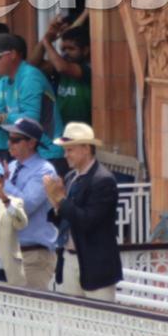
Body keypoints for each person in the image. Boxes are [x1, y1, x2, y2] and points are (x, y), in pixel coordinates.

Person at [44, 123, 123, 300]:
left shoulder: (103, 180)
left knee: (100, 322)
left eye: (70, 150)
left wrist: (60, 200)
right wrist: (56, 205)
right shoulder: (72, 177)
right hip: (70, 258)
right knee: (71, 321)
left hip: (95, 265)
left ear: (86, 148)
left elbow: (87, 221)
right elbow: (65, 221)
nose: (65, 155)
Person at [0, 33, 63, 166]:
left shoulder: (30, 77)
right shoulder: (5, 81)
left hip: (48, 154)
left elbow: (31, 120)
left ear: (13, 54)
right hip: (28, 155)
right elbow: (3, 124)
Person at [1, 118, 61, 289]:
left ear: (31, 143)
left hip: (34, 254)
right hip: (10, 252)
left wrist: (4, 184)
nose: (9, 143)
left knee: (32, 311)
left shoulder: (45, 170)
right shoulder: (11, 167)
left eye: (15, 140)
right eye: (9, 138)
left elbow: (26, 206)